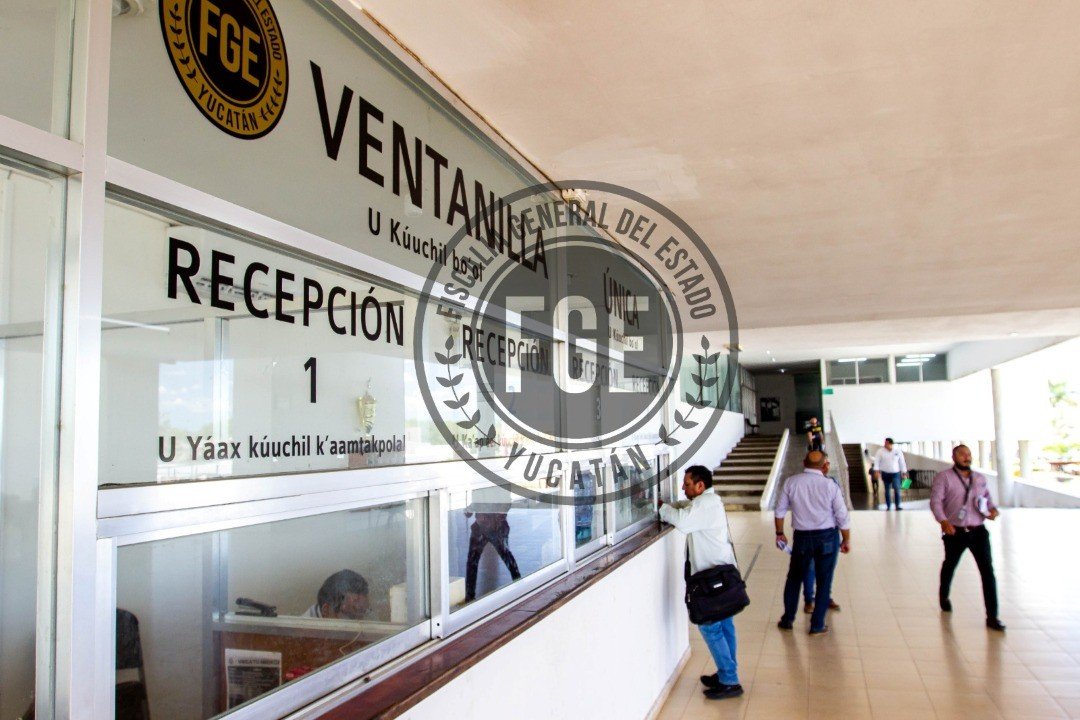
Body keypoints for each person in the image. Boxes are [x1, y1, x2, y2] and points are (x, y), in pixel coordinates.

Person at [659, 465, 743, 700]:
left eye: (686, 484)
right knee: (725, 625)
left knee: (709, 626)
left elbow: (682, 521)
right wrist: (670, 505)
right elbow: (684, 507)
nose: (683, 488)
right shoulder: (707, 501)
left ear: (700, 485)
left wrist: (661, 508)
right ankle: (728, 672)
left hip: (713, 579)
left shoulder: (704, 504)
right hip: (721, 576)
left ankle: (730, 679)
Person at [775, 451, 851, 635]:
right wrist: (846, 539)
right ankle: (817, 625)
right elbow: (842, 516)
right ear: (825, 466)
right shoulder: (830, 485)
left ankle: (787, 620)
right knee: (824, 581)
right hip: (827, 538)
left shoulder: (791, 482)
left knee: (794, 579)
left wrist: (780, 533)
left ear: (804, 463)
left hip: (801, 538)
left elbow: (779, 511)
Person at [930, 444, 1005, 631]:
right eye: (962, 454)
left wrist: (992, 510)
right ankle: (944, 596)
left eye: (969, 454)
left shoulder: (979, 478)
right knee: (950, 565)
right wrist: (943, 521)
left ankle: (992, 616)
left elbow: (987, 500)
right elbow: (936, 501)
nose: (966, 457)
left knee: (987, 572)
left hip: (978, 531)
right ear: (954, 457)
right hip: (955, 532)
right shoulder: (944, 478)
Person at [464, 505, 522, 602]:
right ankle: (469, 597)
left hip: (496, 528)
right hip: (481, 527)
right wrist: (471, 509)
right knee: (472, 561)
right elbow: (474, 505)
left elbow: (507, 503)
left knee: (506, 556)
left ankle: (519, 584)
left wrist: (499, 516)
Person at [303, 569, 370, 619]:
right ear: (326, 611)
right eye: (351, 617)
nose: (360, 623)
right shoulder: (303, 631)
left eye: (363, 612)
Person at [873, 437, 908, 510]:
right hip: (885, 473)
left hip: (896, 473)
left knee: (897, 488)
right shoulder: (880, 451)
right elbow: (876, 461)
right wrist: (876, 471)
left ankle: (897, 505)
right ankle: (888, 506)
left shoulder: (897, 451)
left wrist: (904, 472)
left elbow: (902, 462)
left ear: (890, 444)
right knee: (887, 490)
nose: (885, 444)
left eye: (886, 443)